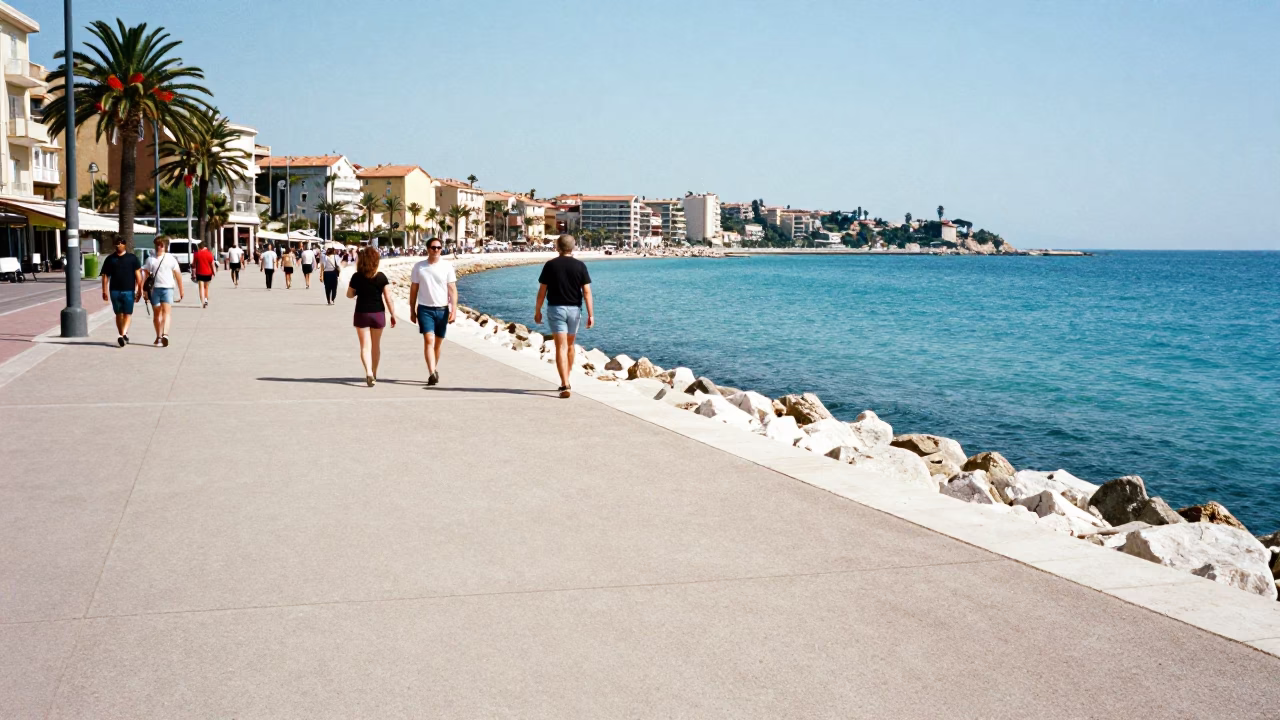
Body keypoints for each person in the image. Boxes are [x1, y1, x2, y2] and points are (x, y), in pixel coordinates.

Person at [534, 234, 594, 398]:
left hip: (556, 309)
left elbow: (542, 291)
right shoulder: (580, 266)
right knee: (570, 345)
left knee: (561, 347)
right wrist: (591, 314)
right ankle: (567, 377)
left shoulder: (550, 265)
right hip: (575, 310)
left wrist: (537, 311)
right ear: (573, 247)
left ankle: (564, 383)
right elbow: (587, 292)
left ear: (557, 247)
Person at [408, 238, 457, 386]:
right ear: (428, 249)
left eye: (439, 248)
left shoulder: (447, 266)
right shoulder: (419, 267)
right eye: (433, 247)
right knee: (429, 340)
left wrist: (454, 309)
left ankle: (434, 369)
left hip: (442, 309)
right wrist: (412, 310)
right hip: (425, 309)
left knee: (438, 343)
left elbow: (452, 289)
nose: (436, 250)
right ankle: (431, 373)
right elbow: (414, 289)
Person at [346, 246, 396, 386]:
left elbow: (349, 294)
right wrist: (393, 314)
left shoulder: (356, 277)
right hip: (378, 313)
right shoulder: (381, 277)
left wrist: (357, 290)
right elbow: (388, 298)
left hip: (361, 313)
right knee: (376, 346)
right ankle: (374, 373)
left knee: (365, 346)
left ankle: (368, 372)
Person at [142, 236, 184, 347]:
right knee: (157, 314)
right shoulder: (150, 259)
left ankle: (165, 335)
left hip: (168, 288)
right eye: (157, 244)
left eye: (161, 245)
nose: (159, 247)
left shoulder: (171, 259)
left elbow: (178, 275)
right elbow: (145, 275)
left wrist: (181, 290)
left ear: (165, 246)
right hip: (155, 289)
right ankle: (158, 336)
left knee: (166, 312)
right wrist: (143, 290)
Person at [99, 237, 141, 347]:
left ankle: (122, 334)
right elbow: (105, 275)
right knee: (118, 314)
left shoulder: (132, 258)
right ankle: (123, 334)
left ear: (125, 245)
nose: (118, 245)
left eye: (120, 243)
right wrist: (104, 291)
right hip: (114, 291)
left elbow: (138, 275)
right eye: (116, 244)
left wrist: (140, 290)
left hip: (129, 290)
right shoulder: (110, 259)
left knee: (127, 313)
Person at [192, 241, 216, 308]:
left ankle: (202, 302)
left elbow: (193, 264)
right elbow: (212, 264)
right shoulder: (209, 254)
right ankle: (206, 300)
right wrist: (213, 272)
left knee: (201, 287)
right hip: (208, 273)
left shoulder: (196, 254)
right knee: (206, 287)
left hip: (199, 273)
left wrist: (193, 272)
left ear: (199, 247)